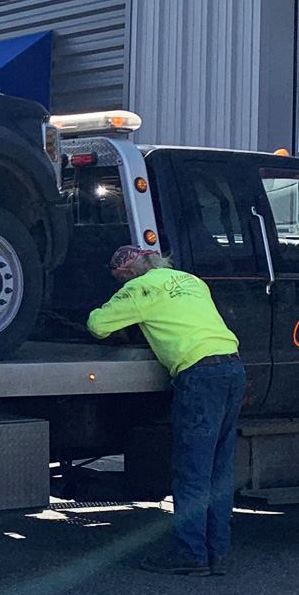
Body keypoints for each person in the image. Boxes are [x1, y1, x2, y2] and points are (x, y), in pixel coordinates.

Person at [87, 245, 246, 576]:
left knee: (193, 470)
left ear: (129, 273)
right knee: (219, 469)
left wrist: (125, 312)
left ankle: (190, 553)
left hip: (198, 375)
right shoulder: (190, 280)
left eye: (119, 280)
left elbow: (98, 325)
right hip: (232, 368)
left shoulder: (139, 288)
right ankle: (216, 551)